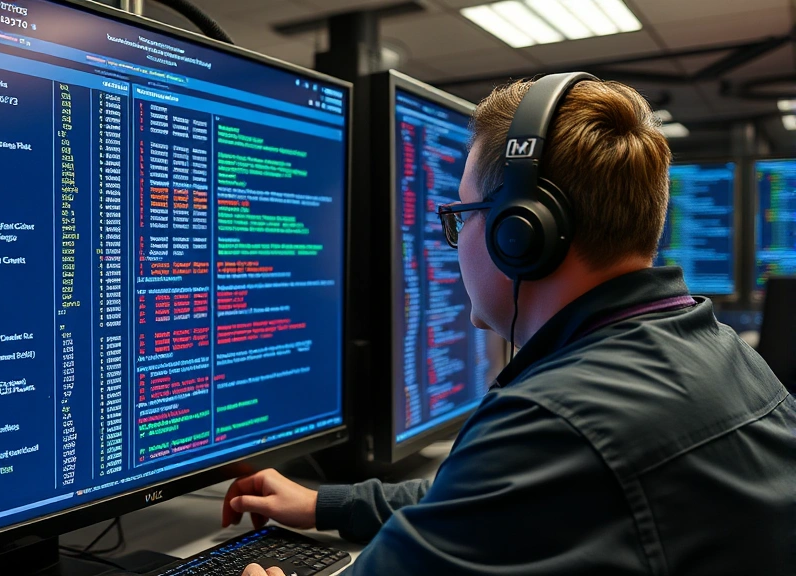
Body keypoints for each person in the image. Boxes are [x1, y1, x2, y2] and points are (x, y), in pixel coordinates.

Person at [223, 75, 796, 576]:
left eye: (461, 216)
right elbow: (496, 496)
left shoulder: (556, 419)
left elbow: (523, 471)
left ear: (519, 233)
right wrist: (329, 504)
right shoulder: (723, 353)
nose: (455, 243)